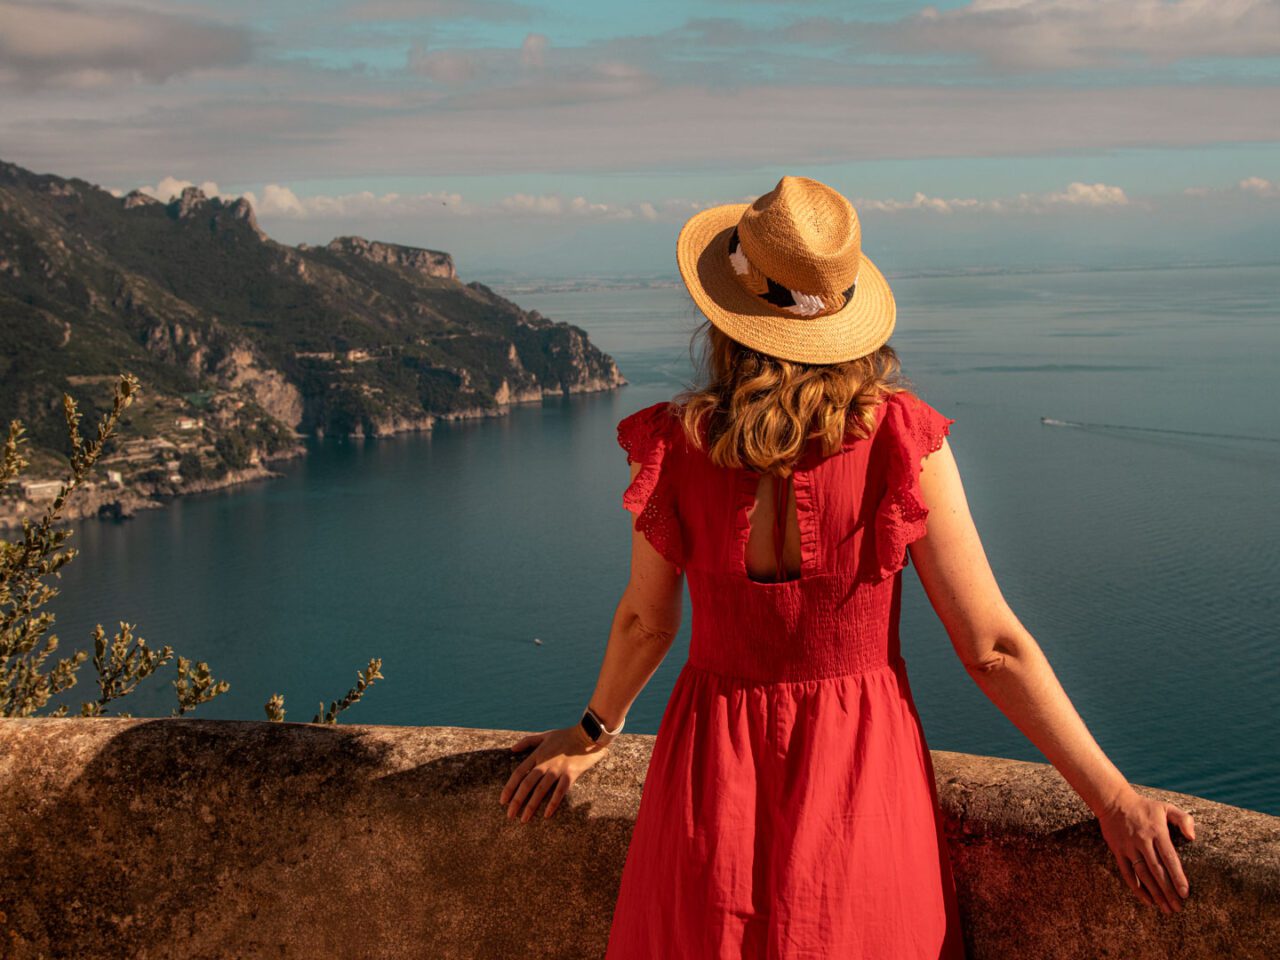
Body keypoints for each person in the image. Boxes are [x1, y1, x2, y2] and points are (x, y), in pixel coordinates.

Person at [499, 176, 1196, 957]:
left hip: (707, 779)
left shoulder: (678, 443)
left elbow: (645, 621)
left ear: (727, 317)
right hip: (860, 779)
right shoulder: (901, 441)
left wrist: (592, 733)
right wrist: (1112, 798)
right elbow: (991, 648)